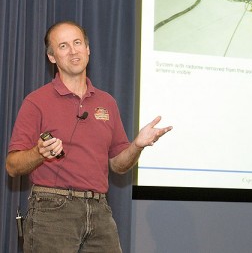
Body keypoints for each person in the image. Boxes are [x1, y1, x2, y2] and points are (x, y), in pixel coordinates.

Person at [5, 20, 172, 253]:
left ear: (88, 49)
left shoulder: (107, 102)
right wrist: (38, 153)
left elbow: (118, 164)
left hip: (100, 209)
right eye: (63, 46)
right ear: (52, 57)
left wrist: (137, 145)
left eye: (77, 43)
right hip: (52, 211)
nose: (73, 50)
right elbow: (12, 166)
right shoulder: (36, 101)